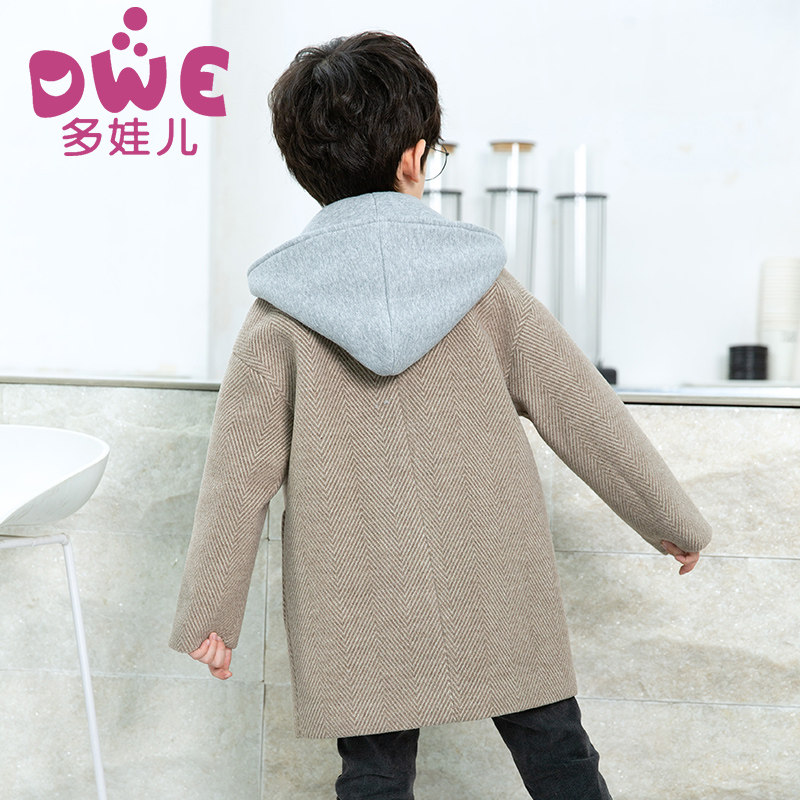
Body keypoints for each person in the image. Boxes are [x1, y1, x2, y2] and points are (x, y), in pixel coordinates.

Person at [169, 31, 712, 800]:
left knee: (374, 775)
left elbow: (236, 478)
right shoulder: (485, 288)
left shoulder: (279, 316)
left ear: (307, 168)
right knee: (559, 755)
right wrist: (670, 518)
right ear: (413, 159)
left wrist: (210, 611)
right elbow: (582, 409)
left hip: (355, 594)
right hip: (495, 574)